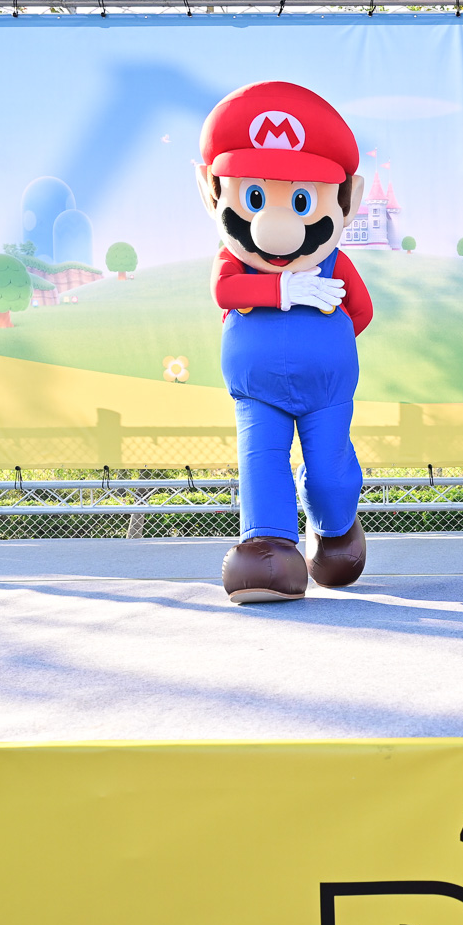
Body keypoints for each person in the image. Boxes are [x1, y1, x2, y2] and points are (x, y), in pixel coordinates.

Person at [197, 81, 374, 603]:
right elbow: (225, 291)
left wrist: (328, 346)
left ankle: (335, 530)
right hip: (258, 390)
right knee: (261, 459)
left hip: (327, 391)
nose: (276, 227)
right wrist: (283, 291)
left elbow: (361, 311)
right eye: (254, 198)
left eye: (301, 201)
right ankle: (267, 547)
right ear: (212, 191)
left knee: (330, 473)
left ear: (347, 199)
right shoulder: (232, 261)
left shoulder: (335, 262)